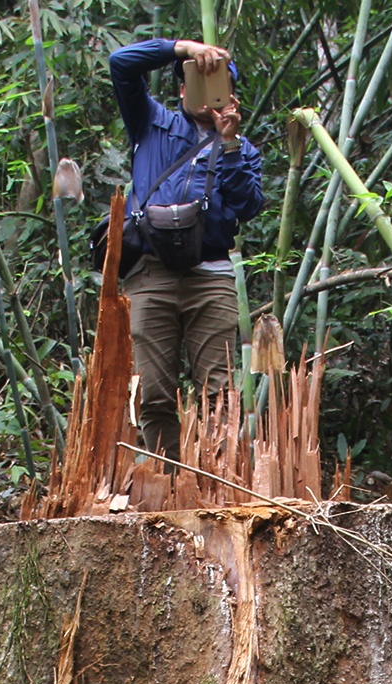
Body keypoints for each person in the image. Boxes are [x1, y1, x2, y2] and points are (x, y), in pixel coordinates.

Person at [110, 36, 265, 461]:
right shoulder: (150, 123)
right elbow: (121, 62)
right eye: (194, 80)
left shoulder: (242, 149)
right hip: (150, 273)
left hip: (210, 275)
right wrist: (182, 49)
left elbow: (248, 205)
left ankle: (215, 487)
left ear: (230, 94)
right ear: (181, 88)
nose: (203, 90)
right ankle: (163, 485)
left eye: (217, 83)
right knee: (154, 392)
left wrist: (229, 144)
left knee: (218, 393)